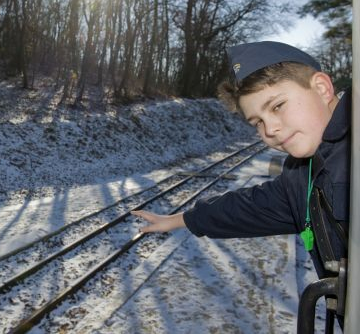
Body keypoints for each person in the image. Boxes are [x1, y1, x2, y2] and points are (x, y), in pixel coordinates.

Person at [131, 41, 349, 329]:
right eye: (257, 122)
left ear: (321, 88)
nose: (270, 130)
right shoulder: (302, 175)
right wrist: (180, 220)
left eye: (278, 106)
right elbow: (245, 207)